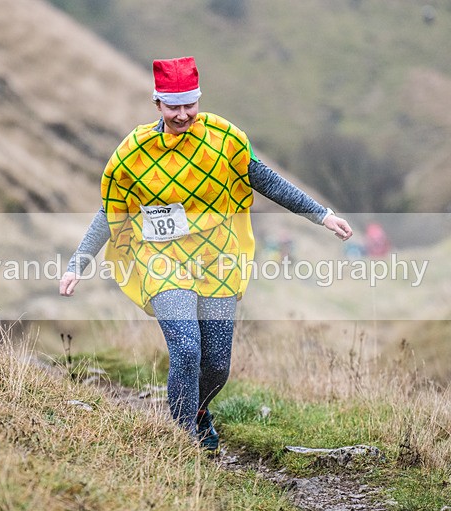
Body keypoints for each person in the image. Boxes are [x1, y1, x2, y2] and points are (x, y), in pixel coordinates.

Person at [60, 56, 352, 451]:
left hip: (216, 261)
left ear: (198, 99)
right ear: (157, 104)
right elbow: (111, 211)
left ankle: (197, 411)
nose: (182, 115)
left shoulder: (223, 139)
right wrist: (79, 263)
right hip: (161, 263)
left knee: (216, 365)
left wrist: (322, 215)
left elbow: (268, 182)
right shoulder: (134, 154)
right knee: (185, 347)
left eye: (189, 105)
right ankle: (181, 441)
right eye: (172, 106)